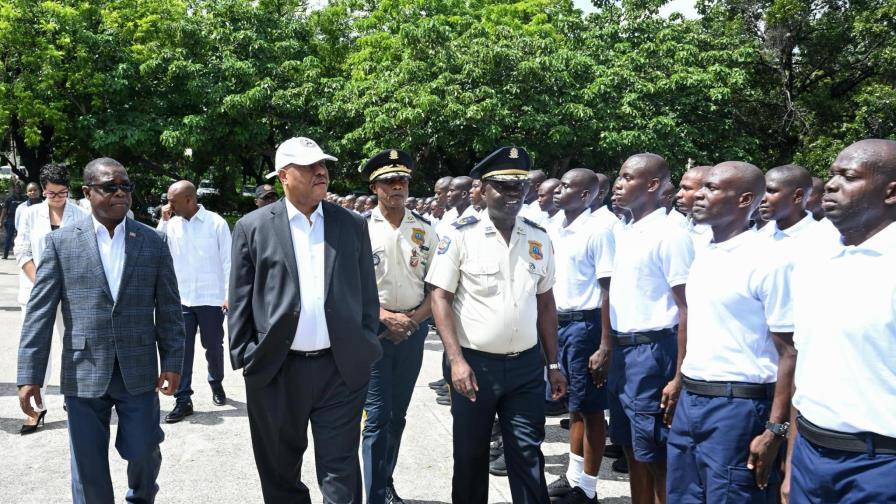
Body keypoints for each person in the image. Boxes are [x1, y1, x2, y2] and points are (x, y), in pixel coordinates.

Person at [17, 157, 185, 503]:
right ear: (87, 192)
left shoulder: (153, 243)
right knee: (88, 464)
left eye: (126, 186)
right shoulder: (61, 243)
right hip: (83, 371)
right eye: (110, 186)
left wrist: (173, 361)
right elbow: (40, 313)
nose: (120, 193)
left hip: (138, 369)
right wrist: (29, 374)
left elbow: (169, 308)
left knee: (144, 451)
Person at [228, 136, 382, 503]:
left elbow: (366, 294)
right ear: (283, 175)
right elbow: (240, 297)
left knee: (340, 468)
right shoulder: (253, 227)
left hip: (339, 369)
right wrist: (247, 355)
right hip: (277, 369)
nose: (321, 171)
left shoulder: (351, 225)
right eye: (309, 166)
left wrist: (365, 343)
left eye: (323, 164)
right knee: (280, 470)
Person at [426, 146, 567, 504]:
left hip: (525, 365)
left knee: (527, 453)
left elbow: (546, 301)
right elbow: (439, 296)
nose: (512, 194)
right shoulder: (459, 235)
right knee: (471, 457)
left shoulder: (538, 236)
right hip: (474, 366)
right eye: (503, 186)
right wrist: (455, 360)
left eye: (519, 187)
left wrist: (553, 363)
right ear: (484, 189)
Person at [667, 161, 795, 502]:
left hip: (737, 406)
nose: (699, 195)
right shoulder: (705, 251)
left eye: (712, 188)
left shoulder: (769, 258)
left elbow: (790, 352)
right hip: (692, 400)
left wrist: (776, 428)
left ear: (744, 200)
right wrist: (680, 380)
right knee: (683, 494)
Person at [786, 139, 896, 503]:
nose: (831, 184)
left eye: (848, 177)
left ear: (891, 192)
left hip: (879, 467)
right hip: (810, 455)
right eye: (832, 174)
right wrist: (791, 463)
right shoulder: (816, 259)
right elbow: (806, 365)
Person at [606, 153, 694, 504]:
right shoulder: (627, 229)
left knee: (657, 454)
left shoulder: (671, 233)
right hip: (624, 351)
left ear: (653, 185)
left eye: (627, 177)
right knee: (631, 447)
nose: (618, 184)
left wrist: (679, 376)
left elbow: (687, 308)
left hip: (654, 352)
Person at [360, 149, 438, 504]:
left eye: (403, 181)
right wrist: (383, 316)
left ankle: (385, 480)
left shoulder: (423, 229)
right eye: (390, 181)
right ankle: (375, 494)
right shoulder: (360, 228)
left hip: (412, 329)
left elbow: (437, 287)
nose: (398, 187)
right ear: (375, 187)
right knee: (376, 416)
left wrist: (411, 320)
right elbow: (346, 285)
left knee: (397, 414)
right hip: (371, 331)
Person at [546, 169, 615, 504]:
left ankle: (588, 487)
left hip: (586, 325)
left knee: (590, 408)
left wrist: (605, 344)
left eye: (567, 186)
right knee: (573, 403)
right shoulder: (555, 226)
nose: (559, 190)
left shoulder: (599, 229)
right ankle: (573, 477)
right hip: (558, 323)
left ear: (586, 195)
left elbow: (607, 291)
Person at [13, 163, 89, 433]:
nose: (57, 198)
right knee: (36, 350)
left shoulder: (81, 215)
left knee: (74, 347)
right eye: (51, 193)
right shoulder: (29, 214)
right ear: (42, 191)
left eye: (62, 193)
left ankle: (75, 399)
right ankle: (36, 406)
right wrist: (43, 283)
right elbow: (22, 250)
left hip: (72, 294)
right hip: (36, 291)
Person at [157, 181, 232, 422]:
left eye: (172, 201)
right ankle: (183, 398)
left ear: (189, 199)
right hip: (182, 300)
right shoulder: (171, 225)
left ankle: (216, 382)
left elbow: (228, 261)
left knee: (213, 346)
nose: (169, 205)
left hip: (211, 299)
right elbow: (157, 247)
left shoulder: (216, 223)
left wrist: (229, 294)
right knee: (182, 350)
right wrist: (163, 220)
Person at [758, 164, 818, 243]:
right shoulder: (759, 236)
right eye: (762, 191)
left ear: (797, 196)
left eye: (771, 191)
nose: (762, 199)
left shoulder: (820, 238)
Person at [675, 165, 713, 243]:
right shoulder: (686, 226)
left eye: (687, 188)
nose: (678, 194)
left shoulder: (716, 236)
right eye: (681, 188)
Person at [1, 181, 26, 258]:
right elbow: (4, 211)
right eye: (16, 188)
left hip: (22, 220)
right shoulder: (9, 199)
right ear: (14, 189)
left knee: (22, 238)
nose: (18, 189)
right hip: (11, 219)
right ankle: (5, 254)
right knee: (8, 237)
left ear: (21, 189)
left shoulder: (25, 199)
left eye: (19, 188)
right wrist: (1, 221)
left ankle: (22, 254)